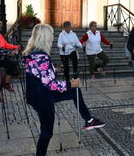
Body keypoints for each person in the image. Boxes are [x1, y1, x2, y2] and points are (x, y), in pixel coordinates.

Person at [22, 24, 105, 156]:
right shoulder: (41, 57)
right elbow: (50, 84)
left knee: (75, 92)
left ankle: (89, 120)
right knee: (46, 132)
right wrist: (69, 84)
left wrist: (54, 70)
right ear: (45, 38)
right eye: (51, 36)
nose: (53, 38)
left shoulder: (34, 54)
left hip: (39, 95)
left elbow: (40, 75)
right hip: (43, 98)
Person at [0, 20, 20, 92]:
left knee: (13, 65)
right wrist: (10, 52)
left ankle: (6, 83)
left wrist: (15, 47)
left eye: (1, 28)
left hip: (2, 57)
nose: (0, 29)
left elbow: (6, 45)